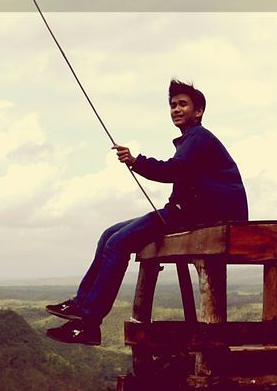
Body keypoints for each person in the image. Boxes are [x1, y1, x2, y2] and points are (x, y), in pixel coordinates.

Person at [45, 78, 248, 345]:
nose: (176, 109)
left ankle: (90, 322)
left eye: (183, 104)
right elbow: (183, 176)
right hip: (192, 212)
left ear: (198, 111)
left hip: (208, 218)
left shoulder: (198, 137)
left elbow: (173, 169)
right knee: (109, 234)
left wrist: (135, 160)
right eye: (173, 105)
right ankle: (81, 304)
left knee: (118, 243)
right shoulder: (192, 140)